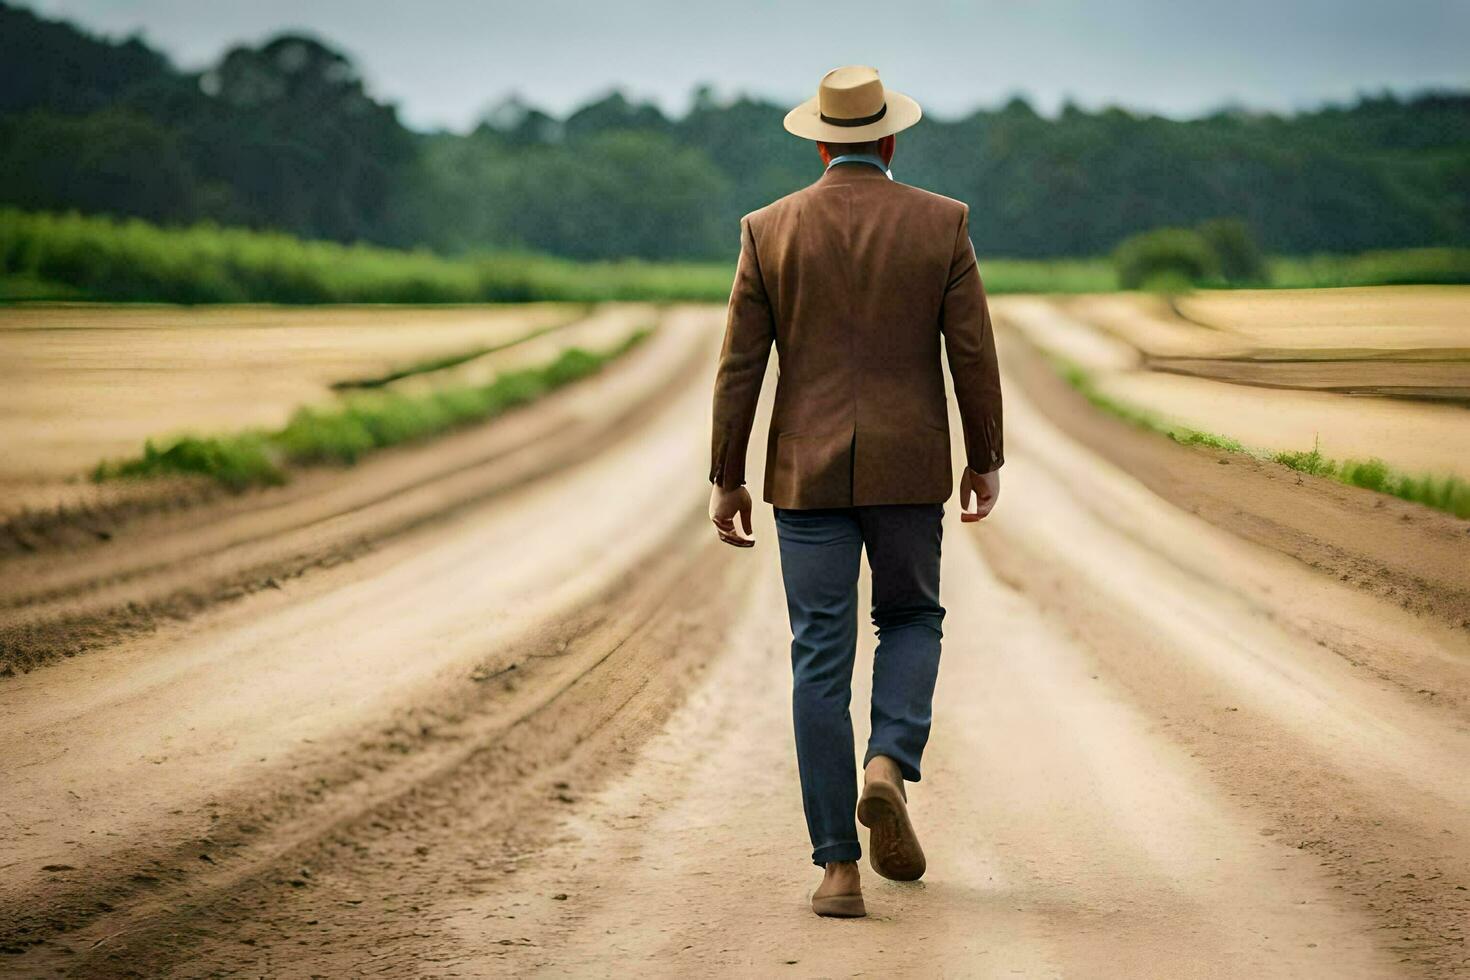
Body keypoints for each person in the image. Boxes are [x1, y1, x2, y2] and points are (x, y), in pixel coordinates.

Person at [707, 65, 1004, 918]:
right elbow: (973, 352)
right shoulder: (942, 223)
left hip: (805, 476)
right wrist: (984, 456)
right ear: (889, 138)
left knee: (818, 659)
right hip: (909, 469)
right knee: (912, 618)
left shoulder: (768, 229)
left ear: (821, 141)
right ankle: (888, 763)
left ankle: (837, 869)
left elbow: (740, 367)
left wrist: (727, 475)